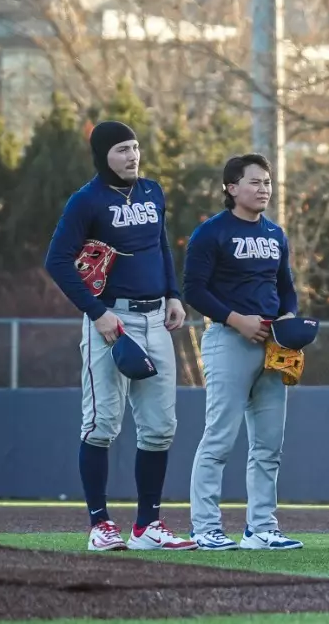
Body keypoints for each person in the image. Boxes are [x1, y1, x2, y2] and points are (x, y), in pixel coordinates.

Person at [45, 120, 192, 552]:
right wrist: (97, 312)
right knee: (102, 425)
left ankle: (148, 526)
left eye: (135, 147)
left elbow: (160, 246)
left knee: (160, 428)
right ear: (102, 155)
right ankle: (99, 524)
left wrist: (174, 293)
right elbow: (57, 261)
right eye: (122, 149)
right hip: (111, 323)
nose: (132, 156)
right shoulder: (86, 200)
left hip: (155, 319)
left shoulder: (152, 192)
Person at [182, 153, 302, 551]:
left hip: (272, 343)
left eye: (267, 182)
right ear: (231, 188)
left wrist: (288, 319)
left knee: (270, 443)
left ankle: (261, 527)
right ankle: (205, 526)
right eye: (254, 182)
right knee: (219, 438)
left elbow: (285, 287)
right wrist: (237, 319)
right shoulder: (210, 233)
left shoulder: (275, 234)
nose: (263, 188)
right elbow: (194, 290)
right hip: (228, 339)